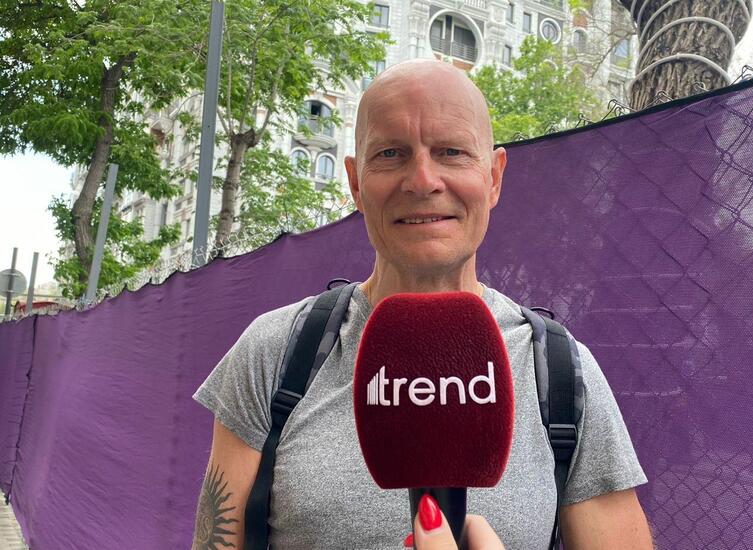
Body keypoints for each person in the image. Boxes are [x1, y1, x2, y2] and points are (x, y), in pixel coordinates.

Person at [191, 59, 654, 550]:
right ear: (355, 184)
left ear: (493, 178)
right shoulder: (275, 352)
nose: (422, 180)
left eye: (451, 152)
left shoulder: (562, 372)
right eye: (390, 154)